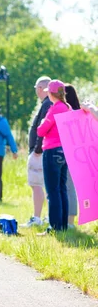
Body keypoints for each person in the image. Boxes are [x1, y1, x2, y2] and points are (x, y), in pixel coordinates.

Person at [37, 79, 71, 233]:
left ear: (51, 93)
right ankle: (63, 225)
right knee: (62, 188)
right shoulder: (67, 107)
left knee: (52, 190)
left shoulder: (55, 108)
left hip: (52, 151)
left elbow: (41, 131)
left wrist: (44, 121)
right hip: (64, 151)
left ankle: (54, 226)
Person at [22, 76, 52, 227]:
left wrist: (37, 150)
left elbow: (43, 129)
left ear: (40, 88)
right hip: (41, 150)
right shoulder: (47, 103)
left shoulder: (47, 104)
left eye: (36, 88)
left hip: (39, 152)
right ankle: (45, 216)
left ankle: (37, 218)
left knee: (36, 184)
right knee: (43, 184)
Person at [64, 84, 81, 228]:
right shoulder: (80, 112)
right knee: (67, 187)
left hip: (69, 154)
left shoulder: (70, 114)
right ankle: (67, 219)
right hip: (75, 154)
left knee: (68, 187)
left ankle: (70, 221)